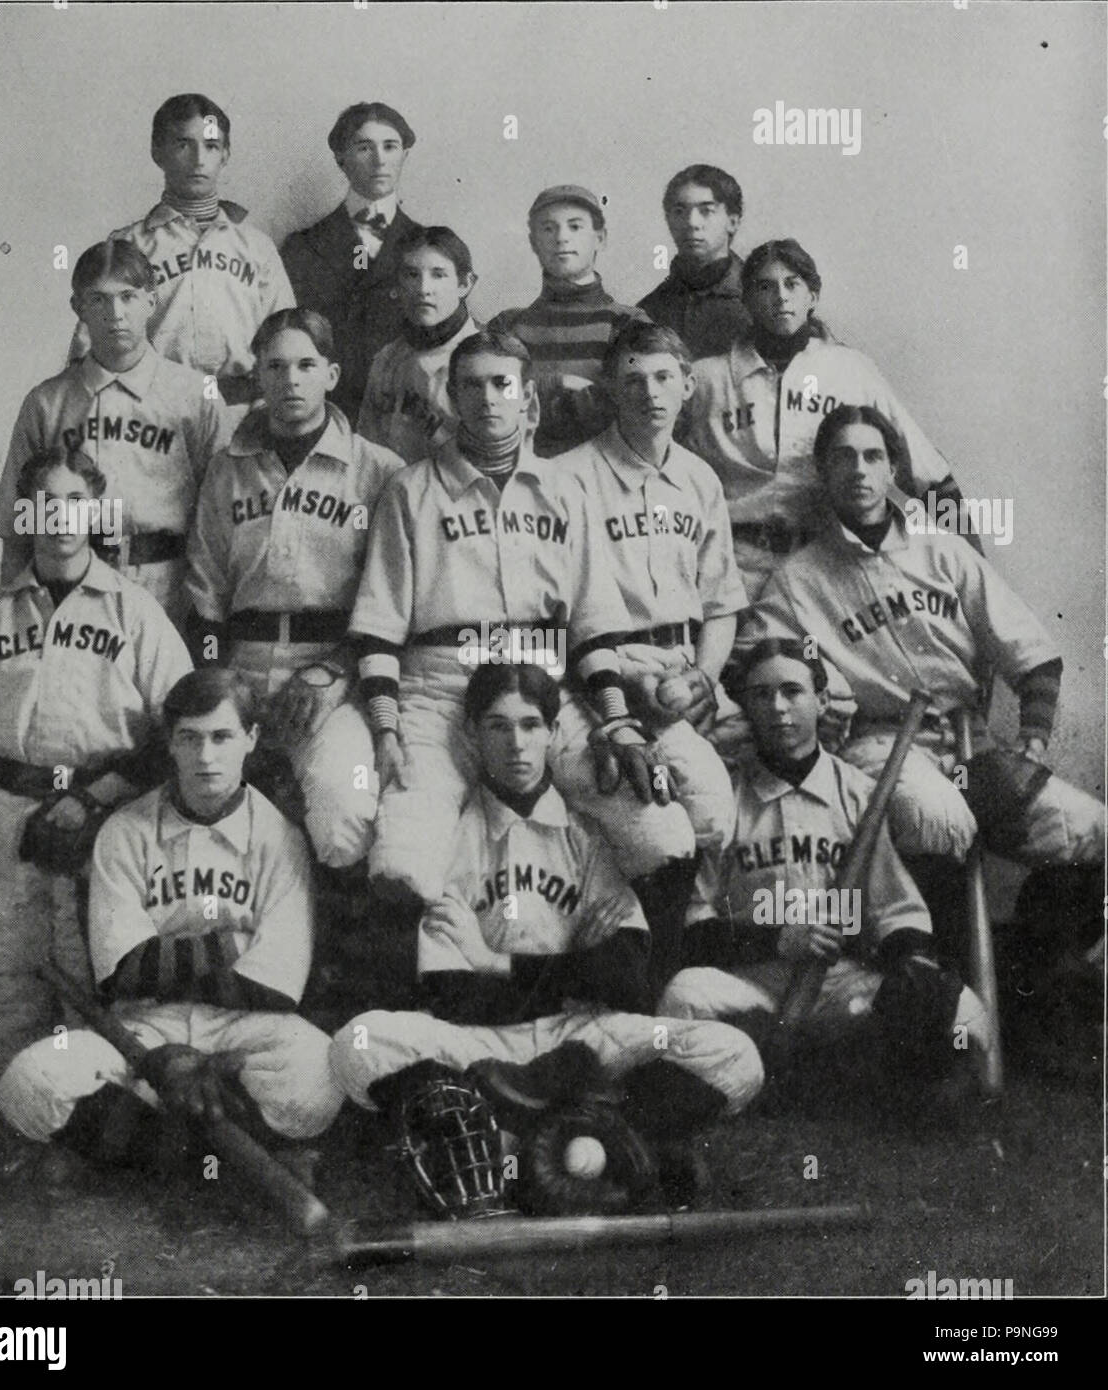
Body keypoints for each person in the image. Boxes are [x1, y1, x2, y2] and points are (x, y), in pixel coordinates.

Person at [329, 662, 763, 1205]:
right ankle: (607, 1140)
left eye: (531, 725)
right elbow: (454, 997)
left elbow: (628, 980)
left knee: (733, 1054)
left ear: (555, 734)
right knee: (359, 1044)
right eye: (497, 726)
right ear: (469, 734)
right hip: (483, 1046)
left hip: (581, 1036)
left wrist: (492, 962)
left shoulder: (589, 836)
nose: (516, 743)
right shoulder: (447, 837)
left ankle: (521, 1140)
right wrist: (579, 967)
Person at [348, 327, 693, 932]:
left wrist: (616, 720)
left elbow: (593, 624)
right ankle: (432, 998)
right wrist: (385, 728)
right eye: (472, 386)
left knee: (663, 832)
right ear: (452, 398)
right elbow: (379, 630)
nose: (487, 398)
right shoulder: (410, 491)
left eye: (502, 384)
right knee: (402, 861)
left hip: (548, 689)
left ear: (527, 400)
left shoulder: (567, 489)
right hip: (441, 690)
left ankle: (635, 976)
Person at [0, 668, 345, 1166]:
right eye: (190, 738)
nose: (206, 757)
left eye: (222, 737)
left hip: (245, 1029)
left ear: (251, 739)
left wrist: (163, 964)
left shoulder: (281, 835)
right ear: (170, 745)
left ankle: (147, 1145)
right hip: (143, 1028)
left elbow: (278, 987)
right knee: (27, 1083)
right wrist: (228, 948)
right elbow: (122, 974)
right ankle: (216, 1152)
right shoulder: (124, 830)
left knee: (320, 1079)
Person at [741, 405, 1105, 874]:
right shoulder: (797, 580)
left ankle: (1053, 943)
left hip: (969, 744)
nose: (858, 470)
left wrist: (1032, 743)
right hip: (882, 746)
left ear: (892, 469)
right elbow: (750, 666)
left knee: (1095, 832)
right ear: (822, 470)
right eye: (843, 457)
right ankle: (927, 945)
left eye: (873, 457)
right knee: (936, 820)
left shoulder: (941, 550)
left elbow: (1033, 655)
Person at [0, 445, 192, 1073]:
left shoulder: (134, 609)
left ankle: (88, 1118)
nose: (60, 516)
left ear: (96, 511)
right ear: (25, 516)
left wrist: (97, 797)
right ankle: (9, 1118)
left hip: (97, 814)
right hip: (7, 807)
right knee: (3, 968)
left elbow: (178, 730)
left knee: (91, 966)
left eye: (75, 502)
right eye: (45, 503)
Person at [660, 640, 990, 1094]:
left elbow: (898, 912)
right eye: (761, 694)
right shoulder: (725, 797)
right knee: (683, 995)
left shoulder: (859, 793)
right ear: (746, 706)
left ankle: (792, 1067)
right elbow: (696, 930)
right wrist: (777, 939)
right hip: (756, 984)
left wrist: (911, 970)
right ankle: (819, 1068)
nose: (778, 707)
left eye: (792, 691)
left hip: (841, 981)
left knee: (966, 1012)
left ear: (820, 701)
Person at [554, 320, 744, 988]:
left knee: (715, 817)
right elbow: (573, 609)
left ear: (688, 386)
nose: (649, 392)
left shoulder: (699, 480)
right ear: (609, 387)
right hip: (603, 673)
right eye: (631, 379)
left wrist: (705, 678)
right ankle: (635, 973)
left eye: (663, 377)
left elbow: (721, 602)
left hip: (682, 673)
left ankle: (684, 971)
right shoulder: (569, 477)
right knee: (652, 828)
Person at [185, 308, 404, 871]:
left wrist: (335, 673)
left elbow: (393, 601)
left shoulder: (377, 470)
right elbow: (205, 592)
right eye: (275, 366)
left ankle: (335, 946)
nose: (291, 381)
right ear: (256, 375)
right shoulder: (226, 468)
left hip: (335, 670)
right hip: (243, 664)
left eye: (307, 365)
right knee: (206, 805)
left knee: (344, 813)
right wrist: (216, 681)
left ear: (332, 375)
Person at [683, 238, 975, 601]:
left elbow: (930, 476)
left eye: (792, 284)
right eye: (765, 286)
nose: (781, 297)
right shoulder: (706, 380)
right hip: (731, 566)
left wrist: (975, 569)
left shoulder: (850, 370)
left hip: (828, 565)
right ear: (746, 300)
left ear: (813, 297)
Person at [0, 240, 229, 624]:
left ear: (152, 300)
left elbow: (222, 520)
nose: (116, 314)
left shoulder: (195, 395)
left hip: (168, 584)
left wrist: (208, 621)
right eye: (98, 300)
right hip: (68, 582)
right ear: (78, 308)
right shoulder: (47, 402)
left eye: (128, 297)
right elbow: (18, 525)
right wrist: (16, 617)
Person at [67, 93, 295, 416]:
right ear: (157, 152)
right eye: (183, 145)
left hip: (242, 411)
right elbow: (90, 345)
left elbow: (287, 339)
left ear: (225, 155)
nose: (199, 159)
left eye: (212, 146)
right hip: (152, 409)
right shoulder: (127, 246)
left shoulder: (256, 246)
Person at [281, 102, 421, 424]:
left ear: (405, 155)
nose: (380, 159)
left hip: (404, 415)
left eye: (390, 146)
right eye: (364, 147)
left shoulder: (430, 247)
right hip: (323, 415)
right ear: (340, 159)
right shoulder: (301, 248)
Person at [490, 185, 645, 458]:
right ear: (533, 242)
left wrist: (535, 391)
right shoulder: (508, 326)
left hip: (606, 474)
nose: (561, 238)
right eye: (548, 229)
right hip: (524, 473)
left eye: (575, 227)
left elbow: (642, 406)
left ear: (600, 238)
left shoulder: (627, 323)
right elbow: (488, 401)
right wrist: (562, 384)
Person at [356, 225, 480, 462]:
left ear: (464, 284)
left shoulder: (483, 360)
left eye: (438, 274)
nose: (424, 289)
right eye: (412, 275)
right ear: (398, 285)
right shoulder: (386, 359)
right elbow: (366, 451)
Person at [637, 164, 751, 359]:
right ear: (668, 220)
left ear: (733, 222)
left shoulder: (760, 300)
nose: (692, 223)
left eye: (706, 211)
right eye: (680, 211)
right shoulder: (648, 311)